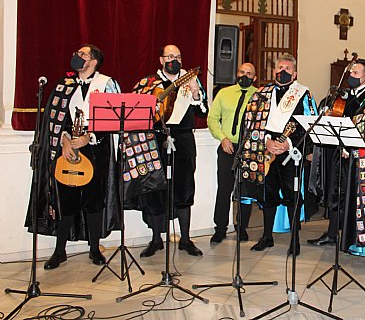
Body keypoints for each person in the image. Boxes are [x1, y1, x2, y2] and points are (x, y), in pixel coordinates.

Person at [27, 45, 120, 270]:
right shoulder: (64, 84)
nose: (76, 58)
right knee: (66, 199)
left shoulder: (107, 84)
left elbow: (116, 118)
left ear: (94, 61)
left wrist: (90, 136)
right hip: (68, 148)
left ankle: (95, 248)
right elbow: (55, 120)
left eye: (82, 55)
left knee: (94, 201)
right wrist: (65, 139)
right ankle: (60, 251)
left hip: (96, 149)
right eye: (76, 54)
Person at [134, 44, 208, 257]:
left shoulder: (190, 80)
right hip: (155, 139)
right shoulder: (149, 83)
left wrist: (196, 93)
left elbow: (202, 112)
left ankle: (185, 239)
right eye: (169, 56)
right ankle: (156, 239)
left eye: (177, 56)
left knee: (184, 189)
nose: (173, 60)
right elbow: (137, 110)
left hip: (183, 139)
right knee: (156, 189)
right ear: (161, 60)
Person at [239, 53, 317, 256]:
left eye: (287, 69)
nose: (282, 72)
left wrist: (288, 143)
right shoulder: (261, 93)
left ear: (295, 73)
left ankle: (294, 240)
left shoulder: (303, 94)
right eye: (279, 68)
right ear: (274, 71)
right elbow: (252, 122)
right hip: (265, 151)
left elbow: (310, 124)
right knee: (267, 195)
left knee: (292, 196)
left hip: (290, 153)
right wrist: (266, 141)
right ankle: (267, 236)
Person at [307, 59, 365, 247]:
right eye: (350, 73)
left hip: (356, 155)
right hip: (339, 152)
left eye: (355, 74)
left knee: (349, 196)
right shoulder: (346, 95)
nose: (350, 77)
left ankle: (350, 236)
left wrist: (349, 146)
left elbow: (364, 124)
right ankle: (332, 233)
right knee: (335, 192)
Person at [207, 63, 257, 244]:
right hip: (227, 147)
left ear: (254, 77)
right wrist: (222, 138)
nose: (245, 76)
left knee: (245, 191)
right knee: (224, 189)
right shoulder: (224, 93)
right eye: (242, 72)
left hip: (249, 149)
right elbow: (212, 119)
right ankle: (220, 228)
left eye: (249, 74)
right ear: (237, 73)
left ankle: (242, 228)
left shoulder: (259, 97)